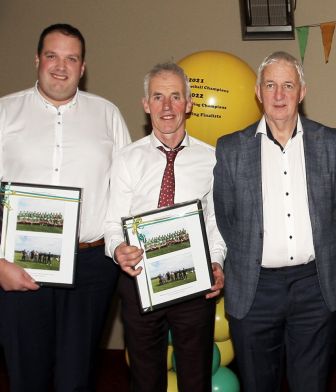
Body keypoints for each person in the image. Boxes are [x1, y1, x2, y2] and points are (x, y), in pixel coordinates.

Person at [0, 23, 131, 391]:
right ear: (37, 60)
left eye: (71, 58)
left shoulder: (107, 115)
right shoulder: (5, 113)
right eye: (53, 56)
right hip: (18, 265)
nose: (61, 66)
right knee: (27, 377)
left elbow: (126, 191)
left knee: (77, 379)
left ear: (83, 67)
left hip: (90, 268)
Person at [213, 51, 336, 392]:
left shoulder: (331, 143)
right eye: (270, 85)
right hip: (254, 289)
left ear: (302, 91)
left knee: (311, 385)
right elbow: (225, 217)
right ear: (257, 91)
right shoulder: (231, 149)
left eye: (288, 85)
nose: (278, 95)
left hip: (314, 286)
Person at [104, 62, 225, 392]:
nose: (167, 107)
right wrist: (117, 249)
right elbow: (112, 223)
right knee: (144, 377)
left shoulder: (212, 159)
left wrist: (216, 262)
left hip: (193, 282)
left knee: (195, 376)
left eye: (175, 96)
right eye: (158, 97)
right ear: (146, 104)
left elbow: (215, 223)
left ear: (189, 103)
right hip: (138, 279)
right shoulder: (127, 158)